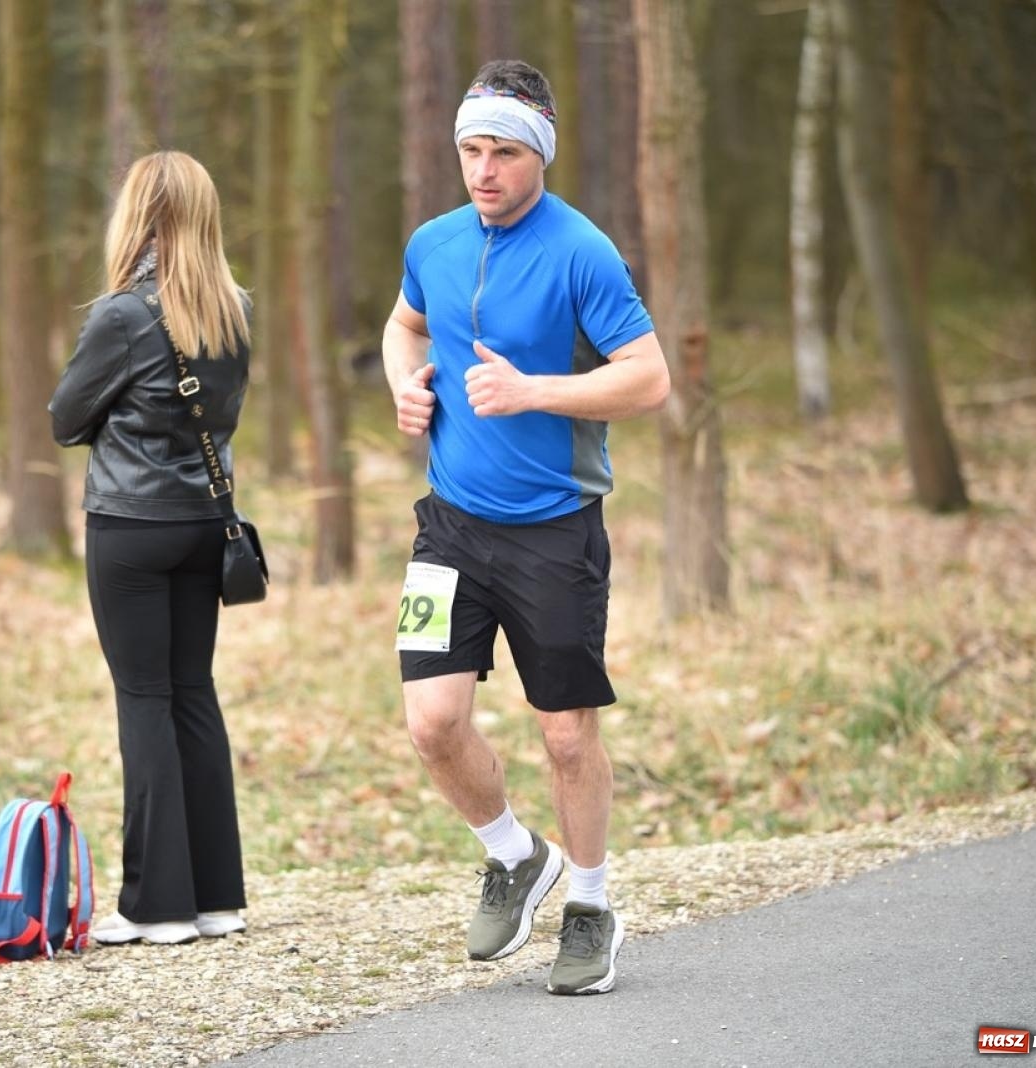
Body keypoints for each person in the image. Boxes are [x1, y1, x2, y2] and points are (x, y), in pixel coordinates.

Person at [382, 60, 670, 995]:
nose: (484, 169)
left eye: (504, 150)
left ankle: (588, 906)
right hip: (449, 531)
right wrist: (404, 380)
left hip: (555, 531)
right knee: (431, 724)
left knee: (567, 737)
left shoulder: (584, 252)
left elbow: (649, 377)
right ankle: (515, 855)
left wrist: (532, 392)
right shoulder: (433, 241)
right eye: (471, 149)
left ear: (537, 152)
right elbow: (405, 325)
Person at [49, 151, 252, 946]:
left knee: (145, 700)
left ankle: (155, 906)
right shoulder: (235, 309)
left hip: (132, 528)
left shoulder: (120, 316)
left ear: (135, 215)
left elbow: (66, 419)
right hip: (207, 524)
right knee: (192, 694)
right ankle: (217, 901)